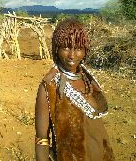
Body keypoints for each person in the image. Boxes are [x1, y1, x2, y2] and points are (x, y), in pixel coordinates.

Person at [35, 19, 115, 161]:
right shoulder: (49, 87)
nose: (72, 55)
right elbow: (42, 139)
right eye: (65, 48)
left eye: (78, 48)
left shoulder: (88, 80)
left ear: (85, 50)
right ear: (56, 48)